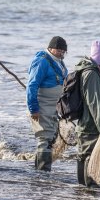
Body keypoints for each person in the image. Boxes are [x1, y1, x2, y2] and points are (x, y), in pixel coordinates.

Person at [75, 40, 100, 187]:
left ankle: (83, 191)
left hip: (89, 124)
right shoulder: (91, 74)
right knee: (88, 157)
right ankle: (88, 190)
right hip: (90, 126)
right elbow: (93, 102)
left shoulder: (94, 72)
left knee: (84, 156)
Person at [26, 36, 68, 171]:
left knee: (51, 139)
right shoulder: (41, 61)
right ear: (50, 48)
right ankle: (42, 174)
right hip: (42, 106)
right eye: (59, 50)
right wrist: (34, 109)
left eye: (63, 51)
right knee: (44, 139)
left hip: (54, 107)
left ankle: (42, 171)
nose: (61, 53)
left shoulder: (59, 62)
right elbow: (32, 86)